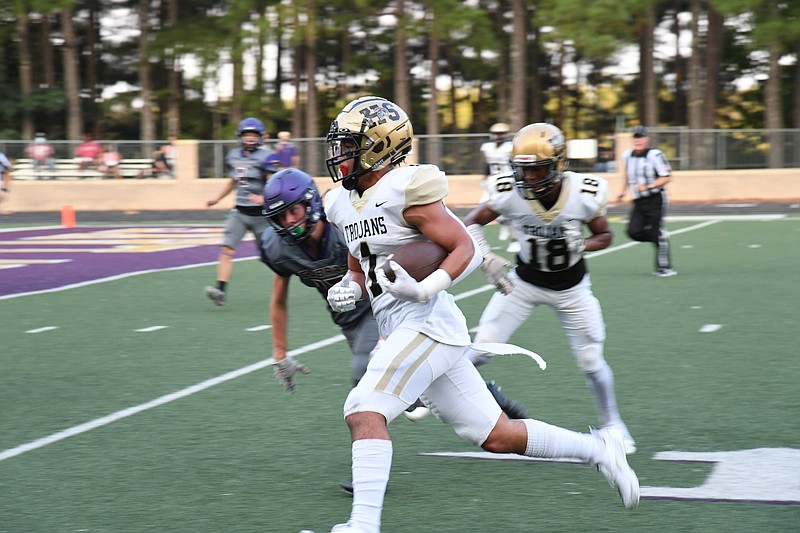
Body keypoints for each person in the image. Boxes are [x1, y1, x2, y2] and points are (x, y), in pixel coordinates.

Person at [300, 97, 638, 533]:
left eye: (350, 144)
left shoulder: (405, 189)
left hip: (427, 322)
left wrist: (423, 287)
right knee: (496, 435)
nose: (340, 153)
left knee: (364, 409)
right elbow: (358, 265)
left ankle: (362, 526)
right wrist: (349, 289)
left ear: (381, 146)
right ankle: (599, 450)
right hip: (405, 324)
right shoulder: (341, 202)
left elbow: (466, 246)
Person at [463, 122, 636, 456]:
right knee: (481, 348)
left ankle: (614, 424)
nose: (528, 179)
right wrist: (485, 257)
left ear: (558, 165)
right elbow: (471, 222)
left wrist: (583, 243)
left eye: (537, 170)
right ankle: (477, 397)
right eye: (523, 170)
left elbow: (606, 235)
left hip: (572, 288)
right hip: (524, 283)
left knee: (590, 359)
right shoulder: (507, 191)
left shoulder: (584, 193)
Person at [261, 168, 381, 493]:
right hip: (350, 321)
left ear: (311, 204)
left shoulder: (346, 224)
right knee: (428, 387)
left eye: (293, 211)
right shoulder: (280, 249)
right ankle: (493, 400)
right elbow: (279, 299)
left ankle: (367, 474)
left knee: (364, 377)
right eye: (280, 217)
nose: (288, 222)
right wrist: (280, 354)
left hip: (386, 303)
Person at [204, 117, 277, 306]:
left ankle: (283, 287)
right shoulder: (234, 155)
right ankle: (220, 289)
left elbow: (273, 182)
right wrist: (217, 198)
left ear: (260, 137)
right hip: (240, 212)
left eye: (254, 135)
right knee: (226, 248)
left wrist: (263, 198)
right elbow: (233, 181)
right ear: (240, 137)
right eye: (247, 135)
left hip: (261, 215)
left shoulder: (266, 156)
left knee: (269, 256)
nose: (250, 138)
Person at [616, 125, 676, 277]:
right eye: (636, 137)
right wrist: (622, 192)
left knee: (656, 229)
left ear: (647, 139)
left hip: (656, 198)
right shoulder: (627, 156)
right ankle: (658, 236)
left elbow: (666, 177)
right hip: (639, 200)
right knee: (633, 231)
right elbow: (627, 176)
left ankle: (664, 267)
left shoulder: (655, 155)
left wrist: (649, 186)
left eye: (641, 137)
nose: (638, 140)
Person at [480, 122, 518, 253]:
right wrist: (484, 176)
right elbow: (488, 164)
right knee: (482, 208)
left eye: (500, 134)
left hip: (507, 181)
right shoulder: (488, 147)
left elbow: (515, 164)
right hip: (492, 181)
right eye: (496, 133)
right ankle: (480, 243)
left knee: (509, 210)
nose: (498, 136)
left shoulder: (510, 147)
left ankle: (515, 240)